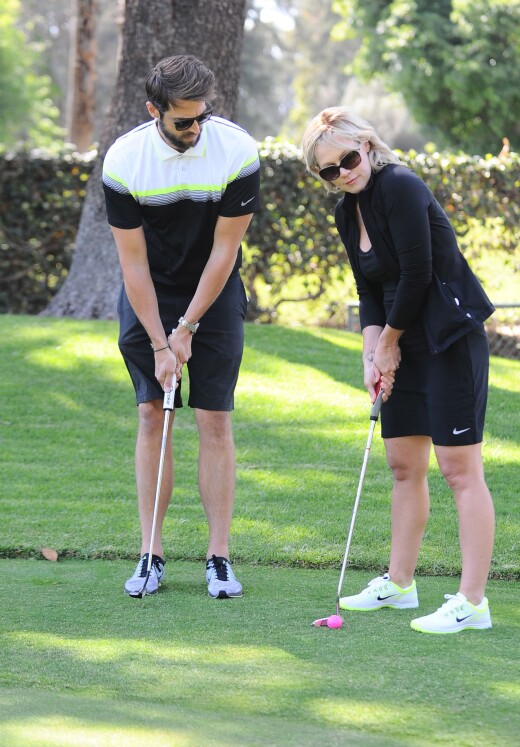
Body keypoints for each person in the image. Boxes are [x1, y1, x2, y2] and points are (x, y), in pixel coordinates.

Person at [302, 107, 496, 634]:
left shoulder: (401, 186)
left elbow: (417, 274)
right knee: (403, 466)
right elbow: (370, 289)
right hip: (400, 343)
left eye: (348, 158)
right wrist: (372, 354)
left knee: (459, 471)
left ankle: (472, 602)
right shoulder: (349, 211)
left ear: (366, 146)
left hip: (446, 338)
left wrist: (388, 344)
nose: (343, 171)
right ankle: (400, 584)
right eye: (329, 170)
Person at [102, 55, 260, 599]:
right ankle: (151, 553)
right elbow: (133, 264)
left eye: (202, 117)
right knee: (153, 414)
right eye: (183, 121)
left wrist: (187, 328)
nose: (195, 129)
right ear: (154, 111)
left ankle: (218, 558)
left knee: (214, 419)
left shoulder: (237, 150)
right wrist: (158, 340)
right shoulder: (124, 160)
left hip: (212, 294)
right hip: (151, 290)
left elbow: (225, 250)